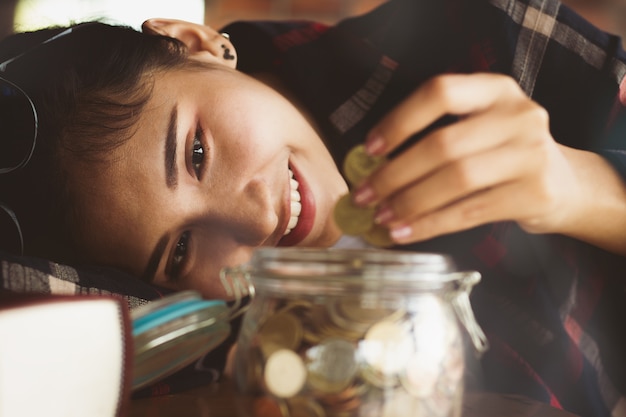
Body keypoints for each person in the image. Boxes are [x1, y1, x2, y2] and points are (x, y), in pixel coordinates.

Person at [1, 0, 625, 414]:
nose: (252, 224)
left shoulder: (480, 37)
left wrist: (580, 186)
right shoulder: (192, 331)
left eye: (195, 153)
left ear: (194, 41)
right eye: (182, 248)